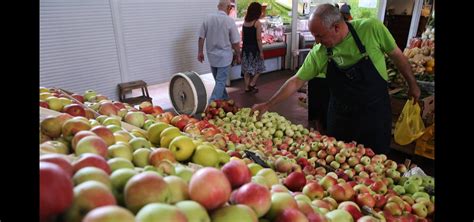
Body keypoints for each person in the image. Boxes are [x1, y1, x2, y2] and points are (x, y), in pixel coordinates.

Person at [252, 4, 420, 155]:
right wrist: (268, 104)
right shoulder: (320, 52)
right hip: (341, 117)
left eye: (319, 36)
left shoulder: (370, 29)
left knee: (376, 159)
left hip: (373, 115)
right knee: (339, 163)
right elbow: (296, 81)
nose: (316, 41)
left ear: (337, 27)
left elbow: (397, 56)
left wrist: (412, 84)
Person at [198, 0, 241, 102]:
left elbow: (201, 37)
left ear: (218, 6)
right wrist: (238, 55)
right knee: (220, 82)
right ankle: (210, 105)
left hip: (212, 56)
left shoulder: (208, 18)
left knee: (218, 81)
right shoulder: (229, 21)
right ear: (229, 8)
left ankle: (225, 98)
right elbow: (235, 42)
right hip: (224, 57)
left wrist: (200, 52)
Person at [241, 2, 266, 93]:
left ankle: (247, 88)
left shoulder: (245, 21)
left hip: (245, 49)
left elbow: (243, 37)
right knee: (260, 68)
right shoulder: (257, 23)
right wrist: (261, 52)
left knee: (247, 70)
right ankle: (252, 84)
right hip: (254, 49)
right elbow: (259, 39)